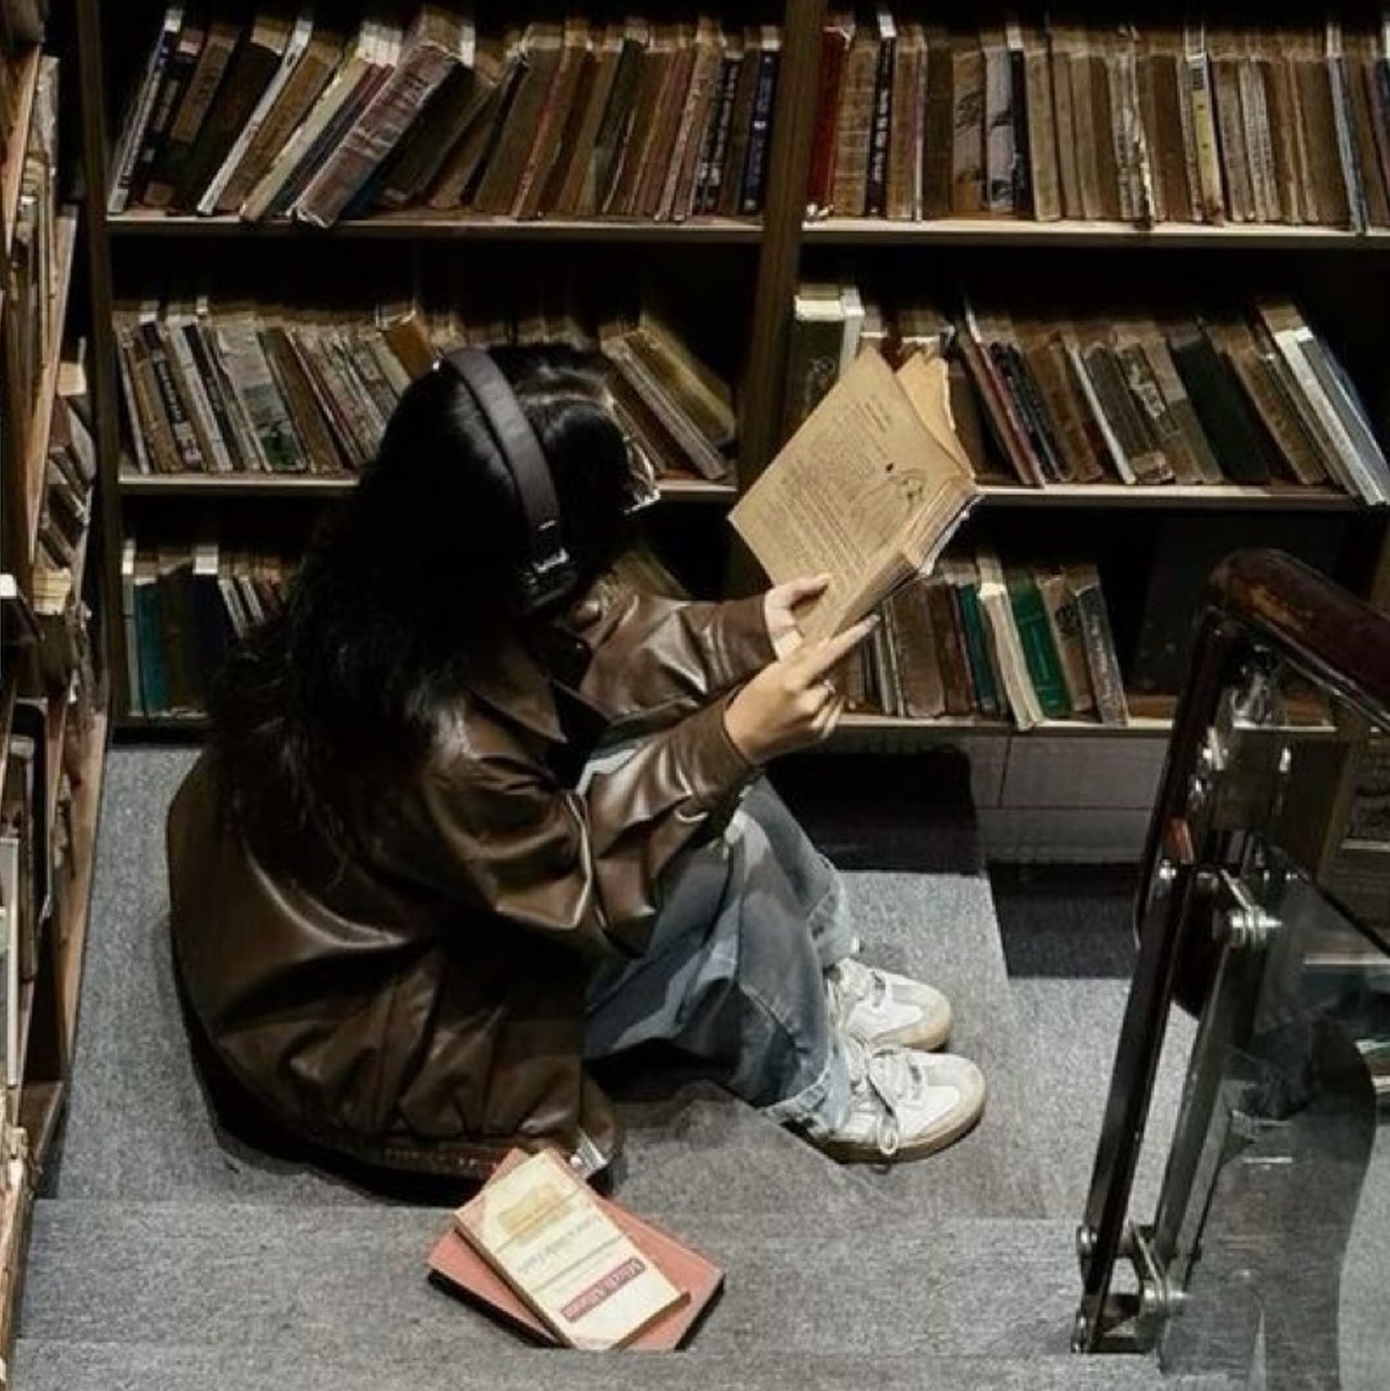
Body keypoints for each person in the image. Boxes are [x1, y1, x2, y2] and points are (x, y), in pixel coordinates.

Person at [167, 342, 987, 1189]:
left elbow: (587, 633)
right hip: (376, 1031)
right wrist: (734, 740)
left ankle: (817, 965)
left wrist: (744, 638)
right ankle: (824, 1087)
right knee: (727, 859)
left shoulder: (406, 559)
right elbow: (586, 897)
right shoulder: (447, 748)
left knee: (713, 740)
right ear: (536, 566)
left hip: (346, 923)